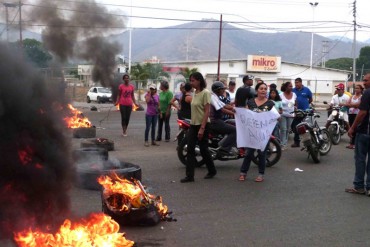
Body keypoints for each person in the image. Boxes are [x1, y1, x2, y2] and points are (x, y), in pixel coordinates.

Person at [181, 72, 217, 183]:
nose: (191, 83)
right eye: (190, 80)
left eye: (193, 80)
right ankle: (189, 176)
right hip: (193, 124)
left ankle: (212, 170)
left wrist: (202, 128)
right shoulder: (195, 93)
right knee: (190, 149)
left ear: (199, 81)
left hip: (203, 125)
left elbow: (207, 111)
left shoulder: (206, 93)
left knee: (203, 149)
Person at [238, 82, 275, 182]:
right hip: (252, 133)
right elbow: (245, 115)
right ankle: (243, 172)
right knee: (249, 153)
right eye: (261, 88)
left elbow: (274, 117)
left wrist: (277, 117)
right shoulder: (250, 102)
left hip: (264, 134)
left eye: (265, 89)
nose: (263, 90)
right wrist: (237, 112)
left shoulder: (270, 104)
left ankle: (261, 174)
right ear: (257, 90)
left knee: (262, 154)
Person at [346, 73, 370, 195]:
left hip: (365, 131)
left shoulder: (367, 93)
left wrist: (352, 128)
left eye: (366, 80)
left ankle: (359, 186)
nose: (364, 82)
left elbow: (362, 112)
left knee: (360, 159)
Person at [209, 81, 236, 155]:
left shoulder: (216, 97)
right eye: (222, 89)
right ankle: (224, 148)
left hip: (217, 120)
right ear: (217, 90)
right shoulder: (212, 97)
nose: (224, 91)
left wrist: (237, 109)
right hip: (214, 121)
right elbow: (222, 109)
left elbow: (225, 105)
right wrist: (235, 114)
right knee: (235, 130)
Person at [291, 77, 312, 147]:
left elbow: (310, 99)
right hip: (297, 111)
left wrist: (306, 105)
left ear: (301, 82)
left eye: (297, 82)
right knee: (296, 126)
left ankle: (309, 141)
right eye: (295, 83)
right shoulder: (293, 90)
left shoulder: (306, 90)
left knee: (307, 126)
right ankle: (296, 142)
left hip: (306, 111)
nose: (296, 84)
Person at [279, 82, 297, 150]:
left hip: (291, 115)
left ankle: (285, 143)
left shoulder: (294, 94)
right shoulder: (281, 95)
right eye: (290, 86)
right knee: (283, 129)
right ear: (286, 87)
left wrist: (295, 109)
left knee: (287, 130)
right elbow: (278, 104)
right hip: (282, 115)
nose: (291, 87)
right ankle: (282, 144)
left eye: (292, 86)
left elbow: (295, 104)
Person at [346, 84, 363, 149]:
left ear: (361, 90)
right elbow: (347, 104)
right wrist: (353, 105)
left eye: (358, 88)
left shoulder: (361, 97)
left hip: (357, 114)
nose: (356, 90)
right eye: (355, 88)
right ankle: (351, 143)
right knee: (351, 127)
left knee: (356, 128)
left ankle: (356, 143)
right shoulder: (352, 96)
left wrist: (351, 105)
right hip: (351, 114)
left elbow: (359, 105)